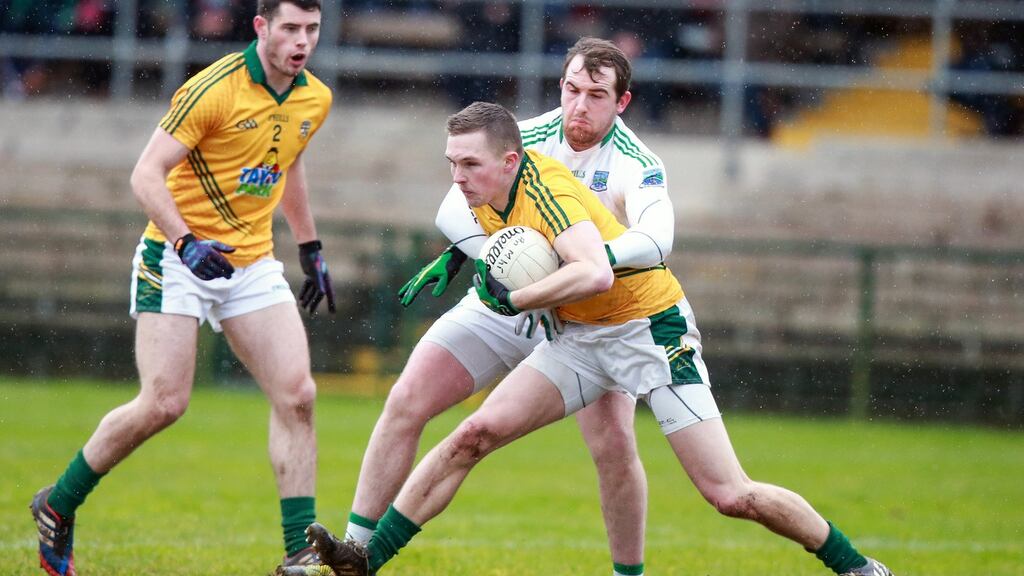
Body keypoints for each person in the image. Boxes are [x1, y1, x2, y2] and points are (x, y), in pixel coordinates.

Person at [305, 101, 895, 576]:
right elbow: (516, 255)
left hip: (649, 331)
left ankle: (858, 567)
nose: (457, 178)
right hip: (582, 336)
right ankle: (363, 561)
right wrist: (470, 262)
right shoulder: (484, 194)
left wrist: (513, 296)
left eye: (469, 166)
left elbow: (595, 272)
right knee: (473, 434)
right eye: (451, 164)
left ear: (512, 161)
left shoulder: (547, 188)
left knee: (729, 493)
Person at [315, 38, 671, 576]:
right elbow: (451, 207)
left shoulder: (636, 163)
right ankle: (349, 553)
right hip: (504, 303)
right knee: (408, 398)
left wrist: (566, 267)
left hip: (589, 317)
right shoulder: (524, 137)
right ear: (561, 85)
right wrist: (484, 257)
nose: (580, 105)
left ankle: (629, 574)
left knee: (615, 446)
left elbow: (658, 238)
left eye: (596, 95)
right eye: (572, 89)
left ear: (621, 102)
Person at [30, 1, 334, 574]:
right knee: (165, 403)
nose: (302, 41)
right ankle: (58, 503)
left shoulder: (314, 97)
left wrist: (310, 246)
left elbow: (289, 163)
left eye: (312, 30)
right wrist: (185, 242)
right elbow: (144, 174)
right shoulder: (212, 89)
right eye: (290, 28)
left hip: (251, 261)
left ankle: (299, 554)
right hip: (176, 258)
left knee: (299, 395)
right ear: (261, 27)